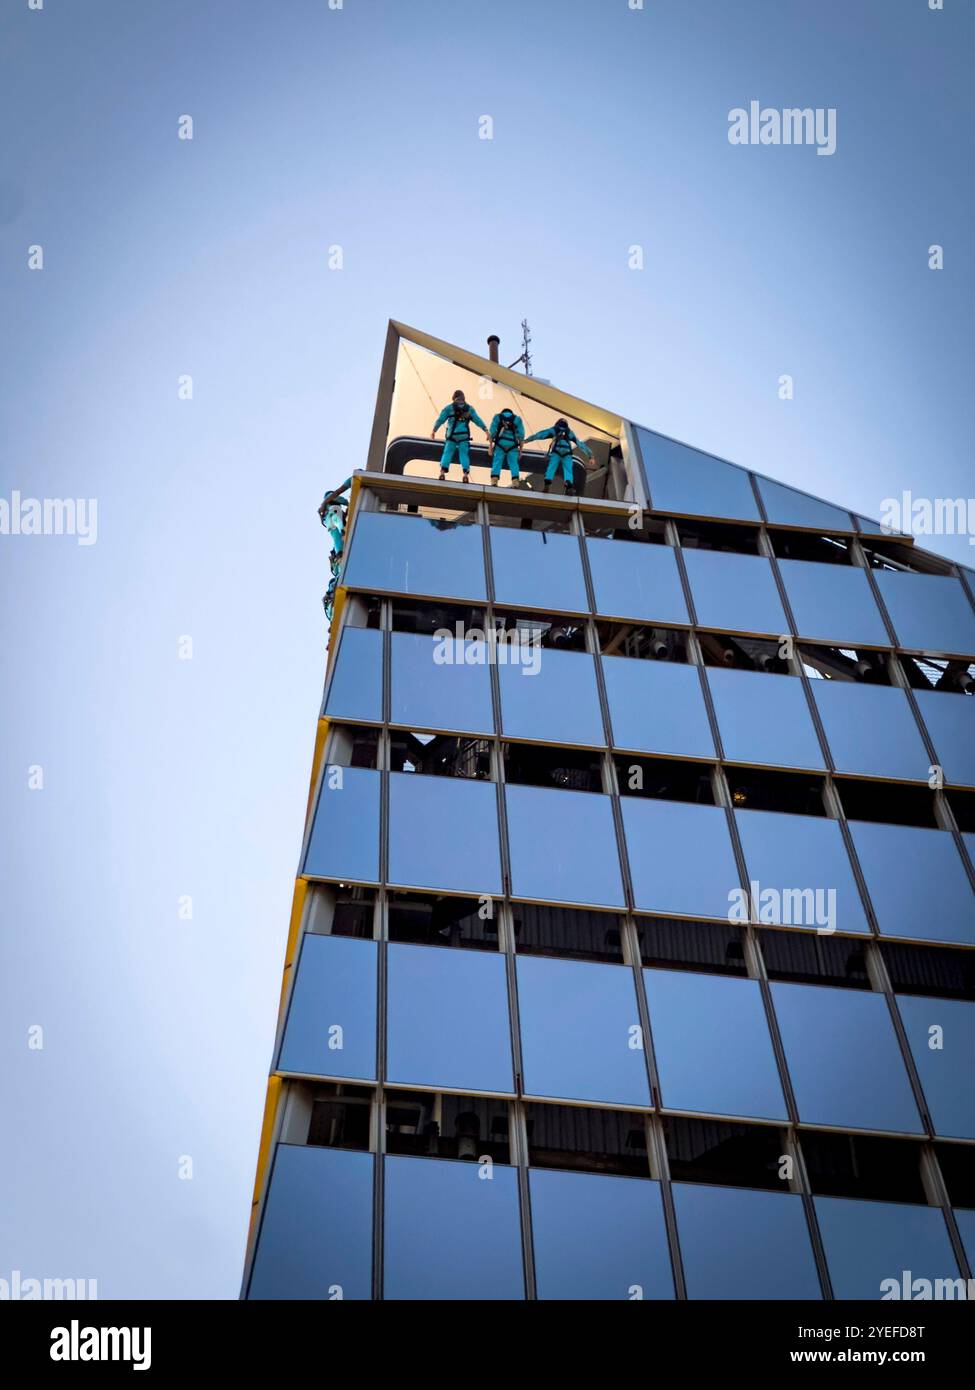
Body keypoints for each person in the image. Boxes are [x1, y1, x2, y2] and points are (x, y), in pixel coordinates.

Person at [431, 390, 489, 482]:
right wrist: (486, 431)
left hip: (452, 435)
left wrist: (434, 430)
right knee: (464, 454)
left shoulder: (449, 408)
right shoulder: (469, 408)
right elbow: (477, 420)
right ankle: (465, 473)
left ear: (454, 398)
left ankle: (442, 472)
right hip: (464, 436)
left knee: (447, 452)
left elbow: (440, 420)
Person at [523, 418, 593, 494]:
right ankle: (568, 484)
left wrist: (526, 440)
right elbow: (580, 444)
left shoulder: (554, 430)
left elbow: (540, 435)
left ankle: (547, 483)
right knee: (568, 470)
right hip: (567, 453)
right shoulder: (569, 432)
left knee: (551, 467)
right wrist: (590, 456)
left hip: (556, 451)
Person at [488, 406, 525, 486]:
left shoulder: (497, 417)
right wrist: (521, 451)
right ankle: (515, 481)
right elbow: (521, 436)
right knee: (513, 463)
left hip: (500, 444)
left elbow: (492, 433)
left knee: (497, 461)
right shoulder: (517, 419)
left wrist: (490, 446)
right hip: (512, 445)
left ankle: (494, 480)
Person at [317, 476, 353, 556]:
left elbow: (321, 517)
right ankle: (342, 530)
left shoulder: (323, 507)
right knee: (338, 521)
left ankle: (338, 551)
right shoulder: (330, 496)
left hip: (327, 521)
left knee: (335, 536)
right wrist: (348, 503)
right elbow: (340, 499)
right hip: (333, 512)